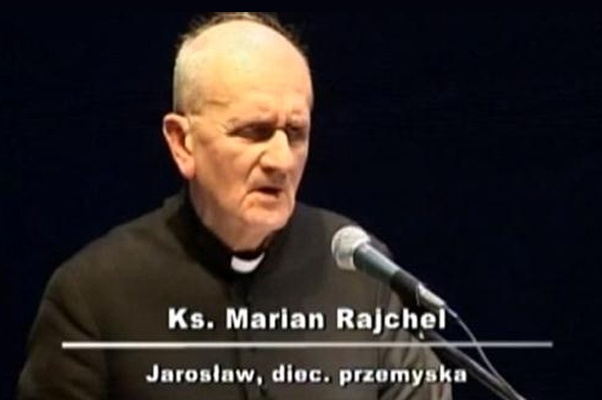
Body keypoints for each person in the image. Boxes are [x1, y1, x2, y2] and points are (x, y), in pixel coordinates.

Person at [18, 12, 452, 399]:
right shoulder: (92, 295)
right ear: (182, 142)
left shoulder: (361, 273)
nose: (281, 160)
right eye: (253, 132)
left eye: (295, 133)